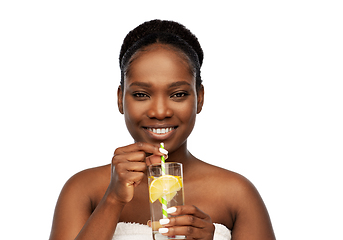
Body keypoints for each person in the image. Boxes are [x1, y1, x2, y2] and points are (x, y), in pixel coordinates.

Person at [49, 19, 275, 240]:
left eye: (178, 94)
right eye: (141, 94)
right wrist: (112, 200)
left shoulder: (237, 194)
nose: (159, 111)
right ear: (120, 99)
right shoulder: (83, 190)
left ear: (200, 98)